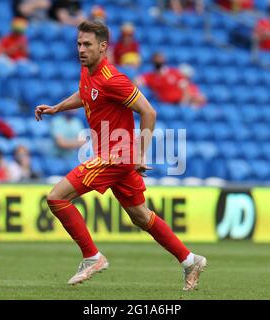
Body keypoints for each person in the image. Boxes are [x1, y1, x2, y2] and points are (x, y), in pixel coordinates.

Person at [35, 21, 207, 290]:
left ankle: (92, 257)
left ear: (103, 47)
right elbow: (86, 95)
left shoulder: (114, 79)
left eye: (87, 44)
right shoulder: (87, 72)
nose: (81, 49)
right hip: (113, 154)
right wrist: (58, 108)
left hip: (118, 154)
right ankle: (190, 261)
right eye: (79, 44)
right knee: (140, 215)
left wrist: (139, 152)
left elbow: (149, 112)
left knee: (56, 197)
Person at [137, 52, 203, 106]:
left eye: (160, 58)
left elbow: (185, 90)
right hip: (162, 104)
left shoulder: (175, 73)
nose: (158, 61)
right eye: (156, 59)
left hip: (177, 103)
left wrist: (182, 105)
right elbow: (137, 81)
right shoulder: (150, 76)